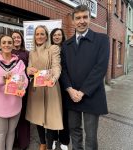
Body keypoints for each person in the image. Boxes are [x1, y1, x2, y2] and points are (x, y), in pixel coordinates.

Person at [61, 5, 110, 150]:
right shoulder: (66, 44)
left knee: (91, 136)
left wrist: (82, 92)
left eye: (85, 17)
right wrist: (70, 89)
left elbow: (100, 68)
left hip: (91, 95)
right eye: (78, 18)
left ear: (90, 19)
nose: (81, 21)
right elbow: (63, 70)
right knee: (74, 131)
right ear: (73, 20)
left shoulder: (101, 40)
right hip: (72, 95)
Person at [0, 35, 28, 150]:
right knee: (1, 133)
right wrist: (2, 79)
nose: (7, 45)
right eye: (4, 42)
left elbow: (25, 80)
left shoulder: (19, 63)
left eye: (9, 42)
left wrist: (22, 86)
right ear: (0, 45)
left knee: (11, 131)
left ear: (13, 45)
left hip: (15, 103)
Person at [26, 25, 63, 150]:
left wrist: (54, 78)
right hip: (36, 87)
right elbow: (29, 68)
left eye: (42, 34)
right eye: (37, 34)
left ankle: (50, 142)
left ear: (47, 36)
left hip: (50, 86)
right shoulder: (32, 52)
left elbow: (56, 66)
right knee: (38, 116)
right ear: (34, 36)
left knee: (50, 116)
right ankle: (43, 142)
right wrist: (28, 70)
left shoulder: (53, 48)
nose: (40, 36)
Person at [50, 28, 69, 150]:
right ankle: (53, 138)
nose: (57, 37)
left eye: (59, 35)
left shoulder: (67, 49)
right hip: (52, 83)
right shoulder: (49, 49)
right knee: (52, 113)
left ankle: (64, 140)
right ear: (51, 37)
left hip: (65, 84)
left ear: (62, 36)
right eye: (55, 35)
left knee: (64, 113)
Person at [11, 31, 30, 150]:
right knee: (12, 115)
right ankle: (12, 141)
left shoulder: (26, 53)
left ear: (21, 39)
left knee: (23, 115)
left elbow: (29, 69)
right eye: (14, 37)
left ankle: (24, 143)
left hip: (23, 88)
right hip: (10, 89)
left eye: (18, 37)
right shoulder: (6, 52)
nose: (16, 39)